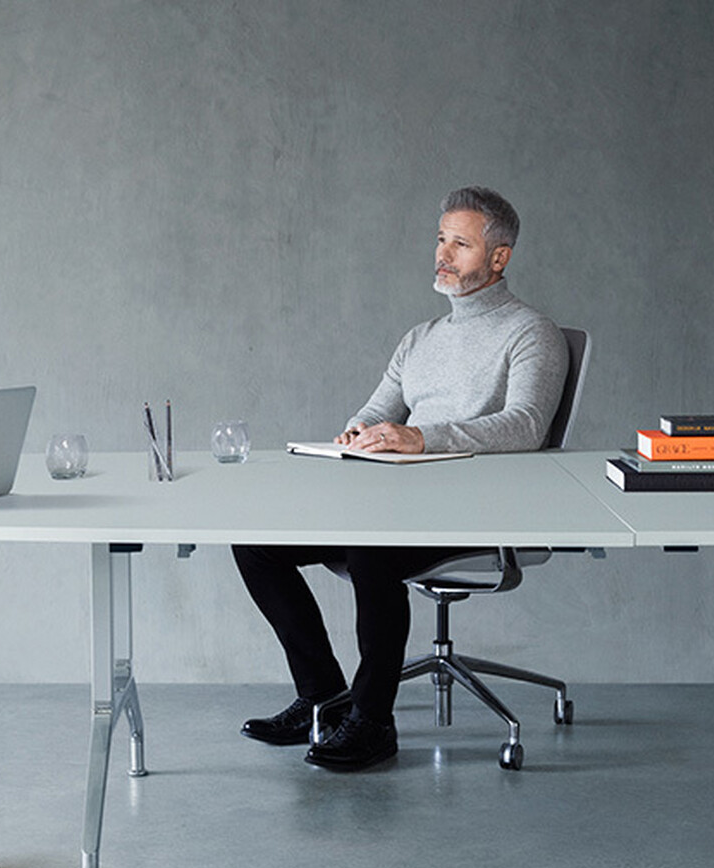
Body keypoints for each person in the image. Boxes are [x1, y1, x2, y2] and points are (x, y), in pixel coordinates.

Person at [233, 185, 569, 772]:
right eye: (441, 239)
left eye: (461, 244)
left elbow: (526, 427)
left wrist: (422, 436)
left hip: (478, 512)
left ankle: (373, 721)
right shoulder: (420, 338)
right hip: (399, 504)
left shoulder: (530, 333)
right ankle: (325, 698)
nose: (443, 254)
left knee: (371, 552)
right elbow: (374, 410)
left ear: (499, 258)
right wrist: (357, 434)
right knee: (257, 542)